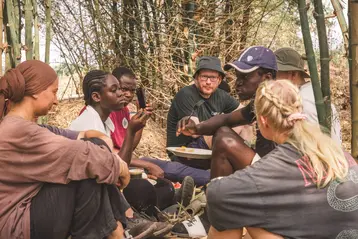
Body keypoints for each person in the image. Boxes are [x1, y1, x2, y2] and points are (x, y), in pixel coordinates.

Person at [206, 79, 358, 238]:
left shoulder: (282, 162)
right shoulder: (333, 150)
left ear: (263, 121)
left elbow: (218, 194)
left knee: (235, 208)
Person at [0, 60, 130, 239]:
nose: (56, 101)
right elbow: (81, 155)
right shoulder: (18, 131)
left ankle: (118, 229)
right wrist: (119, 166)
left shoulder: (26, 127)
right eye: (53, 92)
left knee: (92, 151)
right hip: (17, 226)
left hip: (29, 214)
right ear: (37, 92)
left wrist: (102, 141)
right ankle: (117, 230)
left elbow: (79, 136)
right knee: (87, 171)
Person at [177, 46, 278, 179]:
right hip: (265, 165)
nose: (238, 83)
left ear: (267, 78)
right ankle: (218, 193)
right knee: (223, 133)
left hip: (276, 174)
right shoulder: (259, 102)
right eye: (237, 77)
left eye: (245, 77)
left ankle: (217, 194)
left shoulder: (278, 103)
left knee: (225, 140)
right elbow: (226, 119)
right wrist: (196, 128)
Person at [110, 66, 212, 186]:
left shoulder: (123, 110)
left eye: (132, 91)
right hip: (116, 165)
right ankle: (216, 181)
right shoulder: (103, 112)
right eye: (123, 89)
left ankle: (215, 180)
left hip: (126, 161)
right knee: (169, 171)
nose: (128, 94)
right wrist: (147, 165)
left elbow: (129, 148)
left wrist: (141, 121)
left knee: (170, 168)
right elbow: (112, 159)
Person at [167, 56, 252, 171]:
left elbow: (246, 113)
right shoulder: (186, 94)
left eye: (212, 78)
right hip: (185, 153)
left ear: (219, 80)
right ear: (196, 78)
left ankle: (247, 165)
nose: (208, 82)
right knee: (224, 129)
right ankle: (243, 165)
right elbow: (195, 132)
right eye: (204, 77)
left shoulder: (221, 95)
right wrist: (224, 121)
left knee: (245, 122)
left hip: (207, 151)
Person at [275, 47, 342, 144]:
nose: (271, 79)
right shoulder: (313, 92)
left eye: (275, 74)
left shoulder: (302, 101)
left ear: (292, 74)